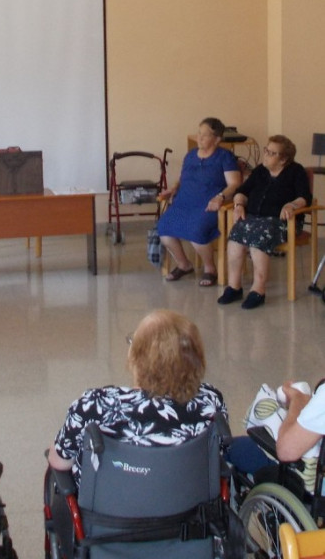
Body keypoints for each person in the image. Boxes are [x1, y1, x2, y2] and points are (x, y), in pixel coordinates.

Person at [47, 309, 227, 488]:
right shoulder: (211, 401)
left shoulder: (94, 405)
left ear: (137, 358)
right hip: (190, 509)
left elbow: (60, 462)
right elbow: (218, 452)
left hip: (109, 512)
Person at [217, 134, 312, 309]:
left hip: (282, 222)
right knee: (236, 233)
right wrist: (238, 204)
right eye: (266, 150)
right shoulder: (260, 170)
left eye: (271, 152)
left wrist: (291, 205)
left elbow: (304, 197)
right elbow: (242, 190)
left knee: (257, 234)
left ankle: (258, 290)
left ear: (283, 159)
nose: (266, 154)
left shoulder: (296, 171)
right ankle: (234, 286)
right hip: (254, 218)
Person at [157, 117, 241, 286]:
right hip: (185, 202)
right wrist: (173, 188)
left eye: (205, 135)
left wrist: (220, 197)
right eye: (199, 133)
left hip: (209, 204)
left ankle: (210, 269)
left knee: (197, 231)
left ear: (217, 139)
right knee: (164, 229)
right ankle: (184, 264)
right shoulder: (190, 156)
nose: (200, 138)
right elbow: (183, 179)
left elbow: (234, 183)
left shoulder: (225, 157)